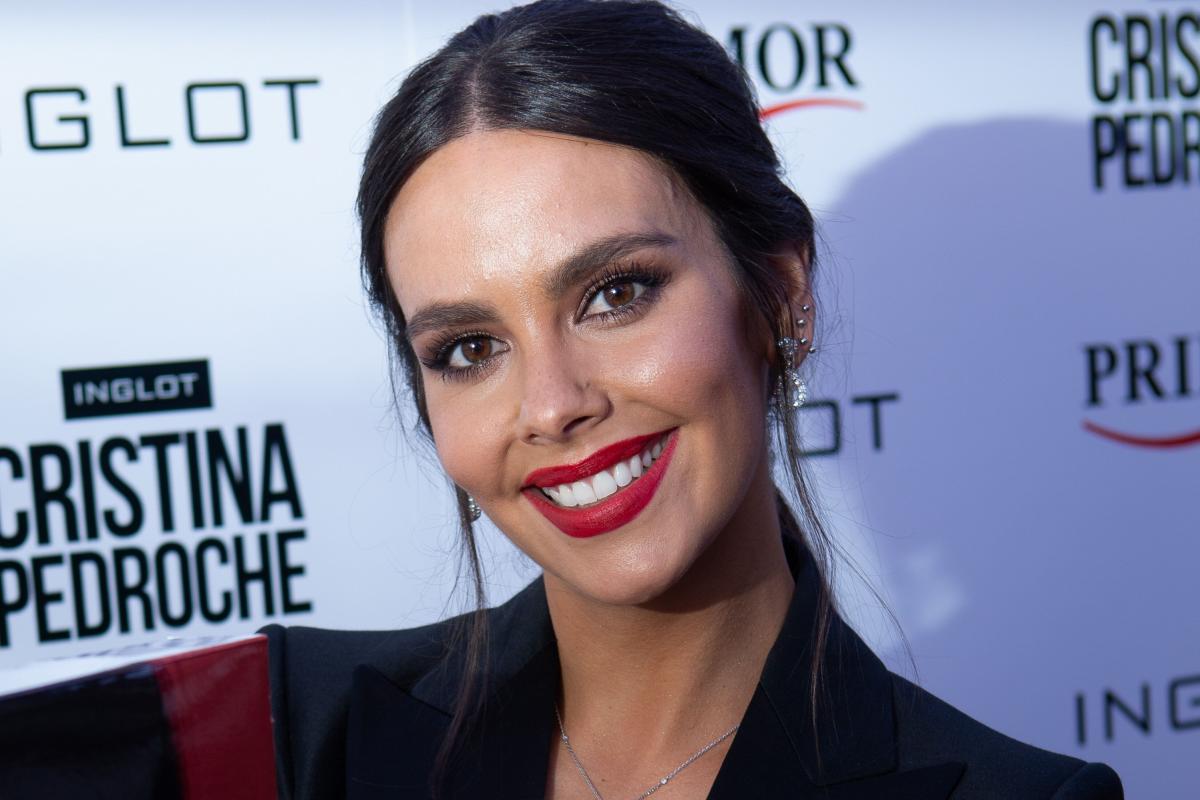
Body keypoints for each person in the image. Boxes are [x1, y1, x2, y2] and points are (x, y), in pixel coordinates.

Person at [261, 1, 1124, 797]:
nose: (552, 405)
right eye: (470, 348)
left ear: (780, 294)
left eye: (616, 294)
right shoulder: (289, 738)